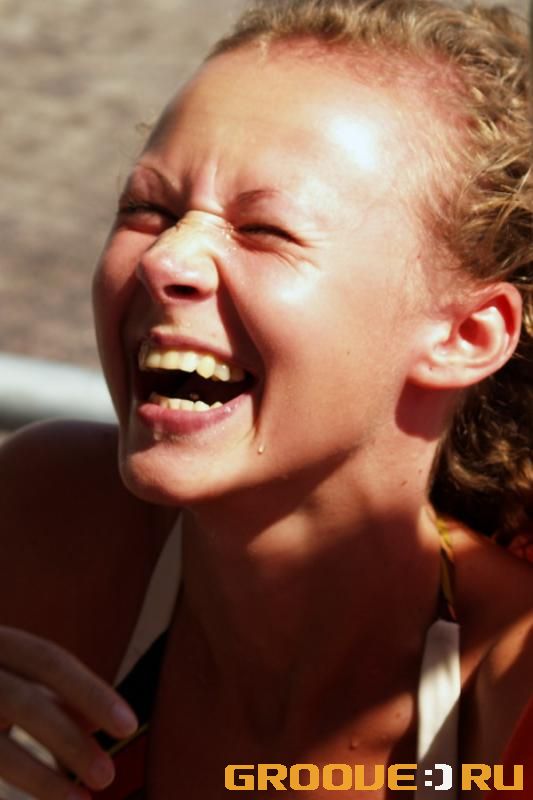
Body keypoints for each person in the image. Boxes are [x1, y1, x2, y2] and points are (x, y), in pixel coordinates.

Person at [0, 0, 532, 798]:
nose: (165, 259)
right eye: (147, 209)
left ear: (465, 335)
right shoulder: (48, 517)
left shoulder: (510, 691)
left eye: (264, 230)